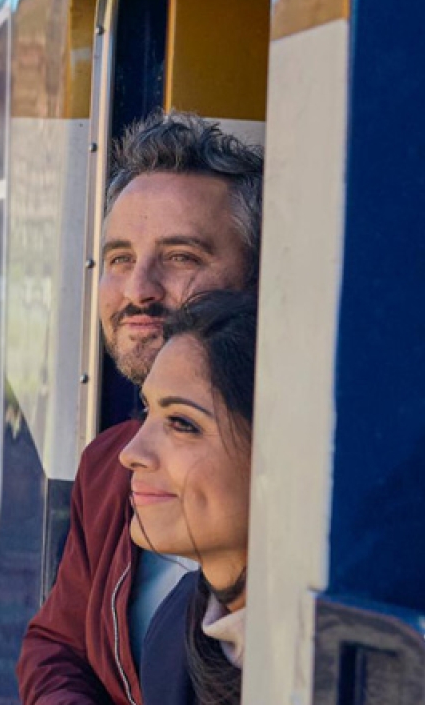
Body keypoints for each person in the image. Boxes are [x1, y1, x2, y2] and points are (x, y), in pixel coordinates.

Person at [16, 112, 265, 705]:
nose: (137, 290)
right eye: (119, 258)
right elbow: (57, 644)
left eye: (181, 256)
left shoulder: (305, 488)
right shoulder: (109, 462)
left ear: (260, 280)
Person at [126, 291, 258, 705]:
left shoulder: (356, 664)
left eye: (182, 423)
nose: (131, 452)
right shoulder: (174, 631)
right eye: (147, 412)